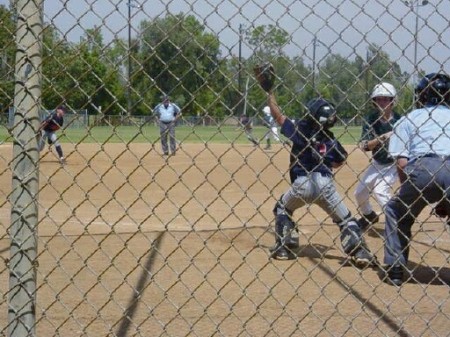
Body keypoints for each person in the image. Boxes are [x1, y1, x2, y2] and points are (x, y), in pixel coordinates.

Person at [266, 91, 375, 265]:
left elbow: (279, 117)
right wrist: (327, 161)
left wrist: (270, 93)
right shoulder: (330, 139)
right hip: (325, 185)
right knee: (346, 220)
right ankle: (360, 252)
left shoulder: (300, 130)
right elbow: (341, 158)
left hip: (301, 184)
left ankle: (284, 247)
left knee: (281, 209)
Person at [383, 73, 450, 286]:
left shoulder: (410, 118)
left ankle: (395, 269)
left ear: (421, 96)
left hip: (423, 168)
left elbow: (401, 162)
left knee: (396, 211)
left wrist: (412, 192)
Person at [355, 83, 401, 230]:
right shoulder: (371, 119)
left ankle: (395, 223)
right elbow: (364, 146)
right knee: (359, 193)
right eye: (378, 99)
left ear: (393, 101)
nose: (382, 102)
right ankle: (369, 216)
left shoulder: (400, 120)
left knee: (380, 191)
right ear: (374, 101)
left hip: (394, 163)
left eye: (385, 99)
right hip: (378, 162)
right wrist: (382, 138)